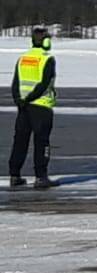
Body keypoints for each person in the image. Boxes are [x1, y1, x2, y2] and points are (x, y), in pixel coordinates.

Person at [10, 25, 57, 189]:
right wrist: (30, 98)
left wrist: (19, 99)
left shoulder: (22, 59)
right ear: (45, 41)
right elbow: (44, 83)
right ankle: (41, 177)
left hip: (23, 108)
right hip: (41, 106)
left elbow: (15, 83)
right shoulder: (47, 59)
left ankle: (14, 175)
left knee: (20, 141)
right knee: (41, 142)